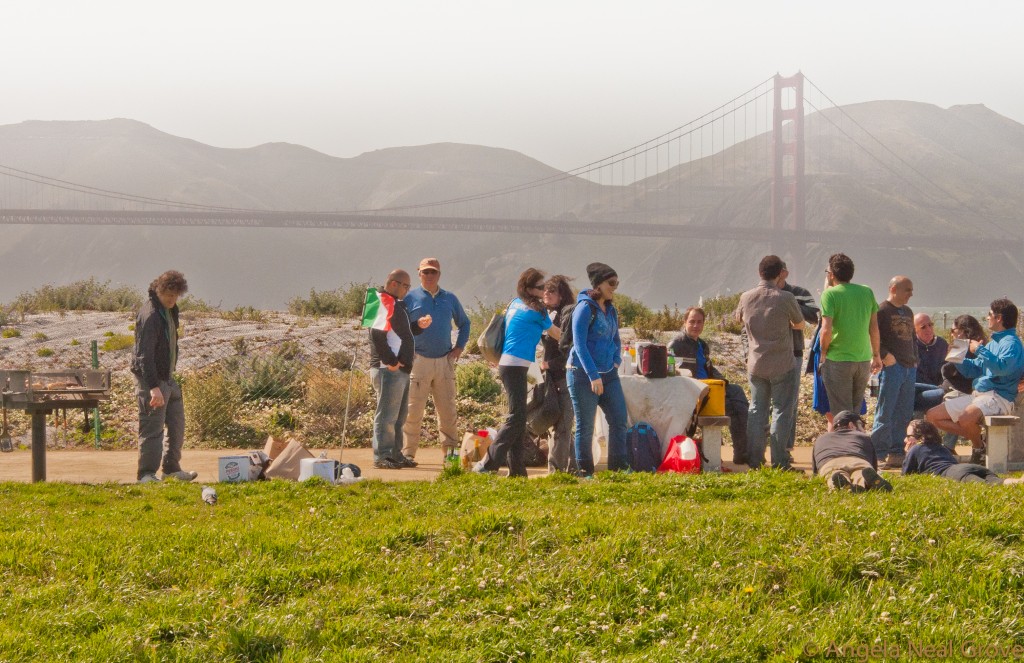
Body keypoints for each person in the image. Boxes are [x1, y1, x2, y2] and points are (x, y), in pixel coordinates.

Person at [474, 268, 561, 477]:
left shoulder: (514, 303)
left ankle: (517, 471)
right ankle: (488, 464)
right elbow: (556, 334)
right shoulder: (538, 310)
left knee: (520, 419)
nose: (544, 290)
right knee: (515, 417)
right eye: (541, 287)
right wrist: (577, 340)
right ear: (530, 289)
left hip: (509, 363)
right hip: (517, 365)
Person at [926, 299, 1024, 464]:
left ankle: (978, 448)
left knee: (965, 417)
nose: (987, 318)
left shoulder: (1011, 343)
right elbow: (976, 370)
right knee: (933, 416)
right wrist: (958, 358)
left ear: (999, 318)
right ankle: (981, 442)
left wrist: (978, 349)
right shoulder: (994, 343)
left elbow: (1003, 368)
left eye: (989, 315)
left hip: (999, 397)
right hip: (980, 396)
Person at [735, 255, 806, 470]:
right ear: (779, 274)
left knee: (757, 410)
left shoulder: (746, 297)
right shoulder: (786, 297)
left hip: (756, 363)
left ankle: (755, 460)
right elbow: (800, 324)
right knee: (781, 411)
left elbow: (738, 319)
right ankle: (780, 461)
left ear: (760, 273)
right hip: (782, 362)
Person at [402, 258, 471, 465]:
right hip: (419, 360)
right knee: (413, 410)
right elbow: (400, 326)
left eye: (433, 272)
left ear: (439, 274)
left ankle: (450, 455)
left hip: (444, 361)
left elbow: (465, 323)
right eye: (426, 272)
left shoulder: (449, 298)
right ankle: (407, 454)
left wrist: (459, 347)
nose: (429, 276)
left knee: (448, 411)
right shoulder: (409, 298)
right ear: (419, 273)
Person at [131, 270, 196, 483]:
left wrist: (167, 379)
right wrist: (153, 387)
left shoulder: (171, 310)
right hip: (152, 381)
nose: (171, 299)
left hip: (168, 378)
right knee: (153, 429)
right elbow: (144, 355)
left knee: (177, 425)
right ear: (158, 290)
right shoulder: (150, 315)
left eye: (175, 295)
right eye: (168, 294)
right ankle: (147, 474)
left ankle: (171, 469)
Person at [668, 306, 751, 465]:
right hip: (693, 392)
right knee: (734, 404)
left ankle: (742, 451)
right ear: (685, 322)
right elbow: (669, 370)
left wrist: (723, 383)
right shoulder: (676, 344)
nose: (696, 325)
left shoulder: (702, 345)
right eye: (692, 321)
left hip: (710, 388)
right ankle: (743, 450)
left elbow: (709, 368)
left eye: (699, 322)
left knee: (737, 395)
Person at [568, 262, 627, 477]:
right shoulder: (584, 309)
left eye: (617, 283)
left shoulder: (611, 310)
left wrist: (616, 361)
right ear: (598, 284)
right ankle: (585, 472)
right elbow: (579, 344)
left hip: (608, 374)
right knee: (585, 427)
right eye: (611, 283)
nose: (615, 287)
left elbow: (616, 339)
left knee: (619, 421)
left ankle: (618, 469)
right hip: (582, 375)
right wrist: (593, 375)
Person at [368, 269, 429, 470]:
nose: (407, 290)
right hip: (388, 369)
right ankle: (382, 456)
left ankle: (395, 454)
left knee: (399, 415)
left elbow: (401, 332)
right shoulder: (383, 300)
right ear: (393, 283)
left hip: (399, 369)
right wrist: (391, 361)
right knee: (386, 415)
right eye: (405, 285)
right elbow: (377, 335)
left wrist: (418, 326)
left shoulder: (396, 304)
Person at [819, 253, 882, 415]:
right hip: (862, 359)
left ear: (832, 274)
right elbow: (874, 328)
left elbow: (826, 330)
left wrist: (823, 353)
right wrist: (876, 355)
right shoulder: (867, 292)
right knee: (854, 411)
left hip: (838, 359)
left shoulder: (830, 294)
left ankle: (845, 439)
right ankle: (857, 439)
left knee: (841, 413)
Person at [871, 276, 918, 470]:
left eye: (911, 289)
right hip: (892, 368)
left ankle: (897, 452)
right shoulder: (882, 310)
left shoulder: (908, 311)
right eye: (907, 289)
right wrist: (883, 355)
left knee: (904, 412)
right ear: (893, 289)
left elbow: (913, 337)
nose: (910, 293)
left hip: (909, 368)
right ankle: (878, 453)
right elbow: (872, 334)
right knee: (885, 411)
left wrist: (916, 359)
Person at [777, 261, 820, 459]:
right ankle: (765, 447)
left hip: (794, 352)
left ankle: (786, 448)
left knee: (791, 402)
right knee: (765, 403)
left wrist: (789, 304)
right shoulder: (762, 294)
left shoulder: (799, 292)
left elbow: (814, 315)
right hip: (769, 353)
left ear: (785, 273)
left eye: (777, 272)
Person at [902, 419, 1023, 485]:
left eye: (908, 436)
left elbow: (906, 477)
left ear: (918, 437)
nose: (905, 439)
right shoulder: (942, 447)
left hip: (953, 472)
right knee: (999, 482)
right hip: (966, 467)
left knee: (988, 486)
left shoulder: (915, 449)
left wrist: (909, 453)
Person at [540, 275, 578, 474]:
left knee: (562, 426)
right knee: (560, 424)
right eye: (545, 290)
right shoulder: (548, 316)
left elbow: (569, 350)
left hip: (564, 377)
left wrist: (549, 364)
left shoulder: (565, 316)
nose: (546, 293)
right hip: (551, 377)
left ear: (561, 295)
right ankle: (574, 467)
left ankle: (556, 471)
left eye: (552, 290)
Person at [811, 410, 892, 492]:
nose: (864, 430)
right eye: (861, 426)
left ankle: (842, 485)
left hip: (830, 463)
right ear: (851, 425)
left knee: (833, 475)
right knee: (861, 473)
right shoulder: (863, 436)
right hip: (858, 460)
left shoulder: (821, 439)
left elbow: (815, 471)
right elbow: (873, 464)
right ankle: (866, 483)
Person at [913, 313, 948, 413]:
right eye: (923, 327)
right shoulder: (911, 346)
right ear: (915, 330)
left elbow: (945, 370)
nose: (928, 329)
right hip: (919, 391)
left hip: (938, 388)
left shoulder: (941, 344)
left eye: (930, 325)